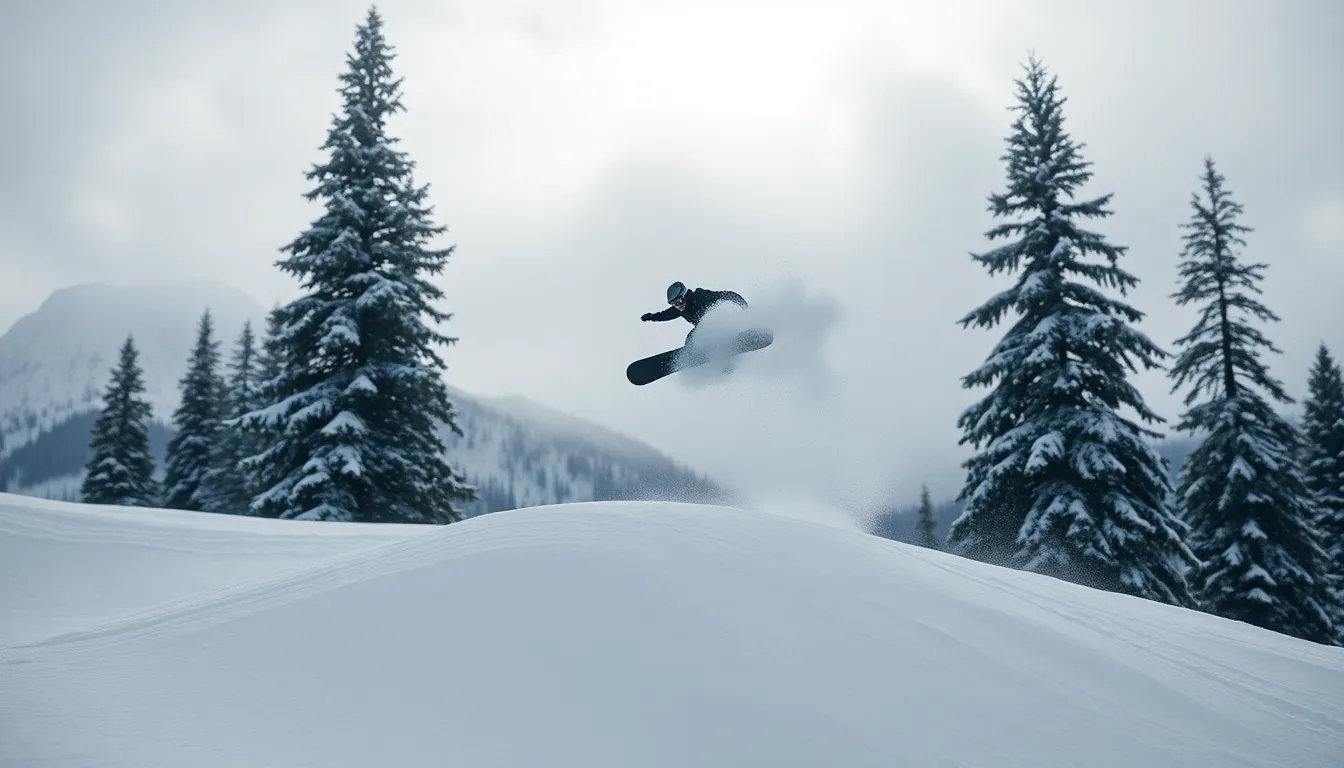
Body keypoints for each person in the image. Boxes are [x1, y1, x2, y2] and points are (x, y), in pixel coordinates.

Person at [641, 281, 749, 348]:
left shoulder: (700, 296)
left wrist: (743, 305)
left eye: (679, 301)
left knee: (702, 334)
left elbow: (726, 295)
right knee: (692, 339)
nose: (678, 306)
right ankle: (692, 356)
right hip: (706, 331)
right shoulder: (679, 310)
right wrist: (651, 317)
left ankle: (727, 352)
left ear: (685, 296)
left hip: (722, 323)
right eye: (674, 304)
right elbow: (665, 315)